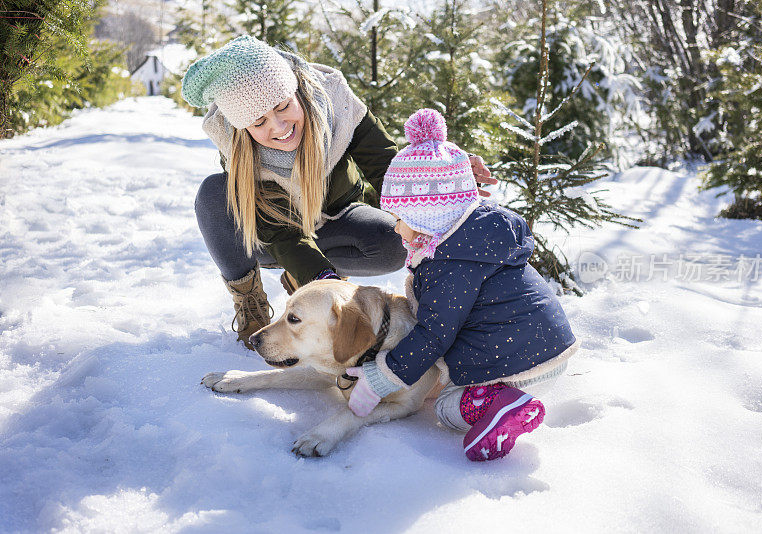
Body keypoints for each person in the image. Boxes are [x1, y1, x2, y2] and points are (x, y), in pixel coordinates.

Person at [181, 36, 494, 349]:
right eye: (259, 122)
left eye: (283, 106)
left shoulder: (336, 103)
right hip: (270, 239)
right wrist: (323, 283)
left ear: (295, 90)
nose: (278, 127)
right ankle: (251, 302)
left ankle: (300, 277)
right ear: (243, 128)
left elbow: (385, 164)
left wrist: (442, 172)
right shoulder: (237, 146)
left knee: (392, 242)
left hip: (337, 216)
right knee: (212, 193)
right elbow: (282, 234)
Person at [345, 109, 580, 462]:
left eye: (399, 220)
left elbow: (435, 333)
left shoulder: (449, 265)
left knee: (445, 407)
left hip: (520, 363)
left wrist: (380, 377)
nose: (395, 229)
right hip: (549, 348)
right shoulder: (474, 240)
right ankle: (505, 399)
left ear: (426, 219)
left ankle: (496, 403)